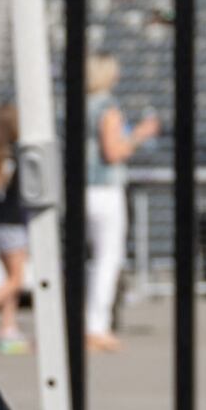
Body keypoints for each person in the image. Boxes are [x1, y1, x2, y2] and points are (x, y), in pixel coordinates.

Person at [83, 52, 158, 351]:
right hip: (104, 189)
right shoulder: (107, 108)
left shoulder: (80, 105)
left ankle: (90, 321)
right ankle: (95, 326)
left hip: (84, 189)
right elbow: (113, 152)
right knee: (107, 258)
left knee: (92, 258)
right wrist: (139, 135)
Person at [0, 94, 39, 354]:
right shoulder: (18, 155)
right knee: (15, 280)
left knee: (9, 278)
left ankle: (8, 328)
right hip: (13, 224)